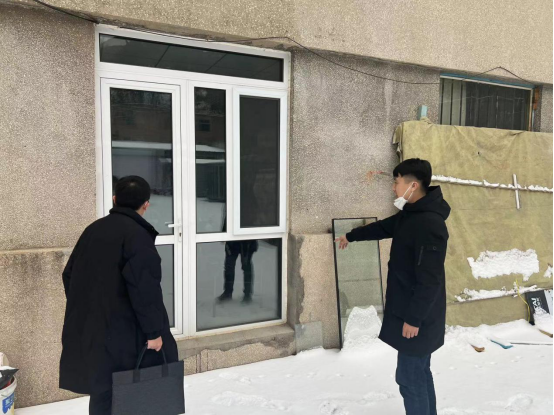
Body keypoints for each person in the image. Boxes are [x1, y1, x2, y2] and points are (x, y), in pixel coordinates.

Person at [336, 158, 450, 415]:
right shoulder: (411, 215)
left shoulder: (430, 224)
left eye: (396, 182)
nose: (393, 187)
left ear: (413, 185)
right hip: (413, 311)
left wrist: (414, 319)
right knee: (419, 373)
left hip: (419, 317)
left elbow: (430, 280)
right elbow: (383, 227)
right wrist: (350, 236)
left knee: (409, 378)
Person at [59, 176, 178, 415]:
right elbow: (145, 290)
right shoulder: (138, 236)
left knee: (102, 390)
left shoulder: (93, 230)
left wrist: (88, 308)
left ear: (114, 199)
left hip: (95, 331)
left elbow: (69, 274)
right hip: (127, 335)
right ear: (146, 205)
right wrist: (154, 333)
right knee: (131, 391)